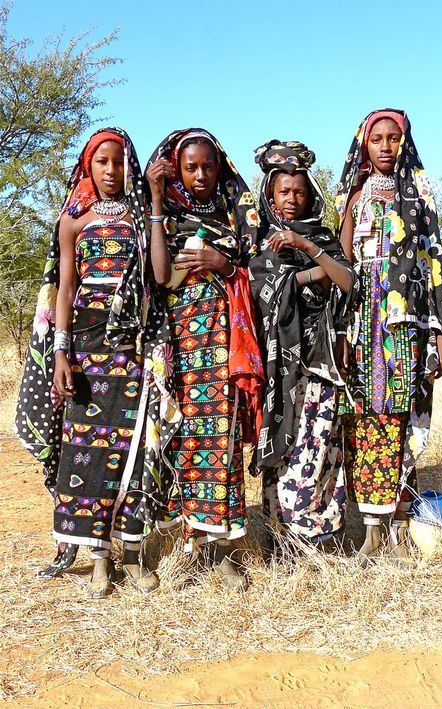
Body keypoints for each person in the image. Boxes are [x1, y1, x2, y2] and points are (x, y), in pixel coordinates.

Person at [15, 128, 158, 598]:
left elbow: (158, 276)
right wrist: (60, 352)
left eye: (118, 162)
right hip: (86, 343)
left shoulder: (144, 219)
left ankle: (133, 554)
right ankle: (98, 556)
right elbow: (67, 290)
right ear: (88, 166)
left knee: (138, 448)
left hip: (136, 343)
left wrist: (155, 204)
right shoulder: (73, 221)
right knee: (89, 449)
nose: (111, 171)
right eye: (102, 162)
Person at [137, 128, 263, 588]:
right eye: (190, 167)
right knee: (185, 441)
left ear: (220, 167)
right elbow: (160, 274)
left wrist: (223, 264)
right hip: (183, 347)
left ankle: (223, 550)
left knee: (223, 445)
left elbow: (260, 268)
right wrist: (155, 198)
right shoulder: (166, 216)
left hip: (227, 346)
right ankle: (190, 543)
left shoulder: (237, 216)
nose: (200, 175)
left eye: (208, 166)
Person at [335, 109, 442, 559]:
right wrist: (343, 330)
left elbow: (434, 259)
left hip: (407, 325)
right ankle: (372, 529)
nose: (386, 146)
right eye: (377, 138)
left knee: (403, 419)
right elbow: (343, 265)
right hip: (364, 322)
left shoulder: (419, 193)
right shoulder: (354, 197)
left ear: (405, 142)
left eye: (394, 137)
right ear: (364, 144)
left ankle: (402, 521)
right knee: (367, 421)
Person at [248, 140, 357, 545]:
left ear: (310, 194)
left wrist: (306, 247)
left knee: (318, 447)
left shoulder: (321, 238)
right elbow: (258, 287)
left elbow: (348, 280)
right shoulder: (257, 239)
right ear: (269, 195)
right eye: (283, 191)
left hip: (319, 360)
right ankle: (282, 540)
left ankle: (319, 537)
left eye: (299, 191)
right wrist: (312, 276)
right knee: (284, 449)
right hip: (277, 367)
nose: (291, 199)